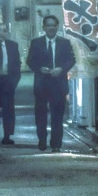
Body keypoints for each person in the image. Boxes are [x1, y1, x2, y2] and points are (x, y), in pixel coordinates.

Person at [26, 14, 76, 152]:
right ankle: (42, 139)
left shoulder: (64, 43)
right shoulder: (36, 43)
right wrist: (40, 68)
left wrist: (61, 69)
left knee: (57, 115)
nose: (51, 28)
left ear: (57, 27)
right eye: (48, 25)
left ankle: (56, 143)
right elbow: (30, 61)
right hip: (42, 82)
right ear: (44, 27)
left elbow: (71, 60)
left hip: (58, 83)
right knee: (41, 114)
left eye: (54, 25)